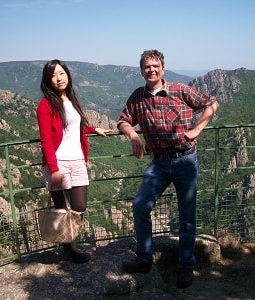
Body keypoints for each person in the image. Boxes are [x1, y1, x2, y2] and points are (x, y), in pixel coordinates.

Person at [117, 50, 219, 288]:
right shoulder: (137, 97)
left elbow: (212, 104)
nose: (151, 70)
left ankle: (186, 266)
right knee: (140, 205)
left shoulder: (180, 90)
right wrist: (132, 134)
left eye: (155, 66)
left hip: (185, 160)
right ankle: (144, 258)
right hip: (159, 163)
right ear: (141, 70)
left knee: (187, 217)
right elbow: (122, 120)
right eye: (146, 67)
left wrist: (196, 130)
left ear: (163, 68)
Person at [37, 59, 112, 264]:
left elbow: (72, 129)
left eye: (61, 73)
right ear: (47, 80)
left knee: (79, 206)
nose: (58, 78)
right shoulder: (45, 105)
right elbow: (45, 141)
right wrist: (53, 170)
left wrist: (92, 129)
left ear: (67, 75)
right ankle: (68, 248)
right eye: (53, 75)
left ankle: (70, 244)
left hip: (77, 160)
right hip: (58, 163)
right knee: (62, 209)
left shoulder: (70, 99)